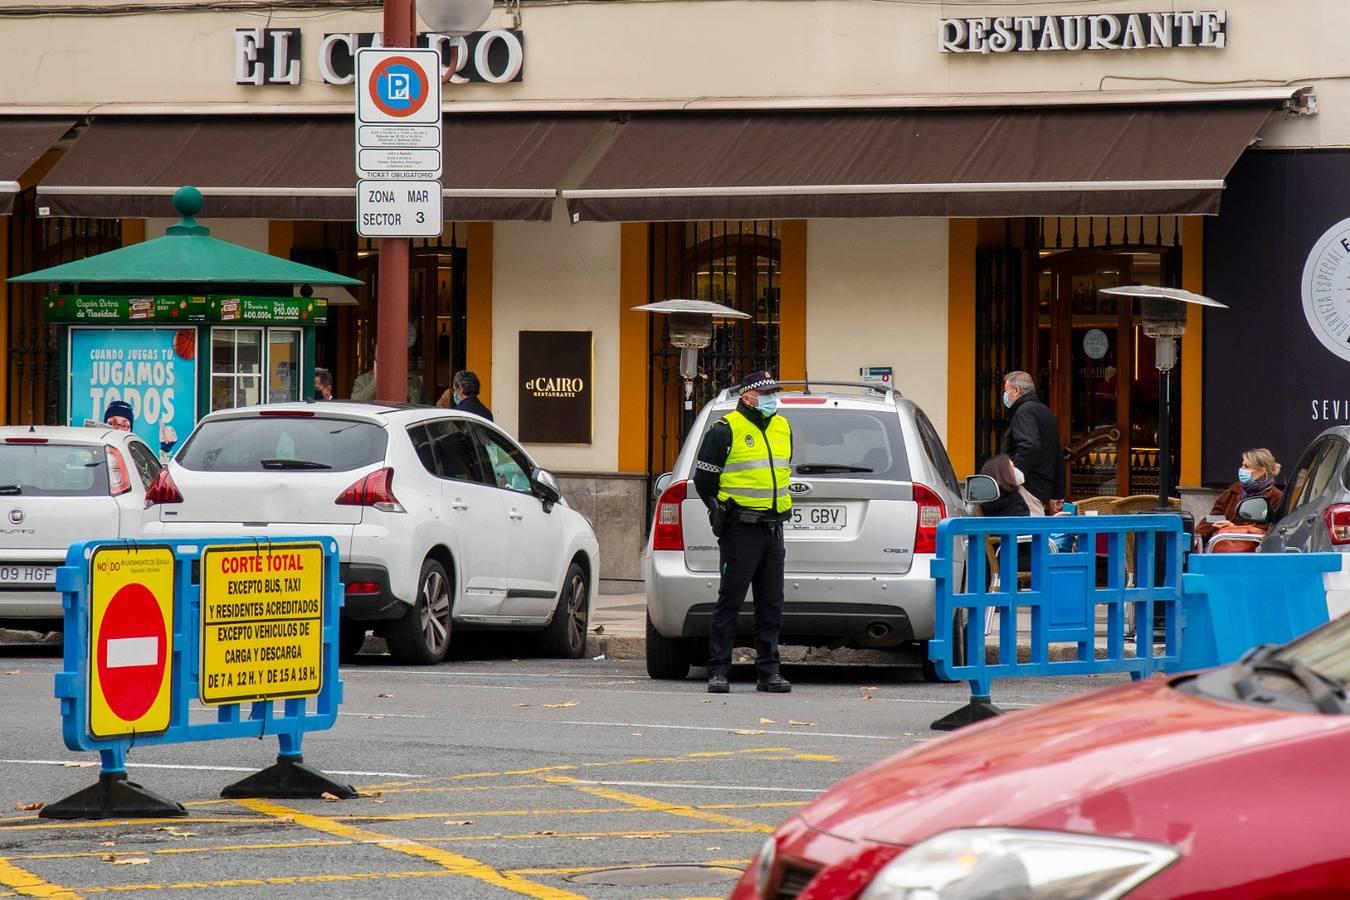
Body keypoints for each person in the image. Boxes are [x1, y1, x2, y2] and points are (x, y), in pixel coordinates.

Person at [692, 371, 793, 695]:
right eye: (765, 393)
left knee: (771, 602)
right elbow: (704, 481)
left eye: (773, 392)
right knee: (731, 600)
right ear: (747, 397)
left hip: (774, 528)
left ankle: (769, 671)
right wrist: (717, 510)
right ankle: (719, 670)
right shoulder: (724, 430)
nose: (771, 398)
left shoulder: (782, 426)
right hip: (741, 528)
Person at [1000, 371, 1065, 514]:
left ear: (1016, 390)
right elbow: (1057, 455)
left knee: (1026, 535)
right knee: (1037, 534)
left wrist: (1013, 474)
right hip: (1042, 488)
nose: (1004, 396)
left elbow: (1029, 446)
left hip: (1028, 488)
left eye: (1006, 391)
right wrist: (1057, 493)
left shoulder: (1024, 412)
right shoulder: (1046, 412)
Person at [1195, 448, 1283, 550]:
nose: (1241, 469)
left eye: (1246, 466)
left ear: (1261, 472)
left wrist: (1234, 528)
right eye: (1242, 465)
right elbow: (1214, 517)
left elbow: (1272, 530)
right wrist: (1197, 535)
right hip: (1223, 548)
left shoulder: (1276, 497)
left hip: (1254, 554)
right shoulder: (1232, 492)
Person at [351, 361, 427, 404]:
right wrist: (376, 381)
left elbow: (423, 404)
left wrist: (402, 382)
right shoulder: (363, 380)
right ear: (375, 363)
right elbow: (355, 402)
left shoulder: (412, 379)